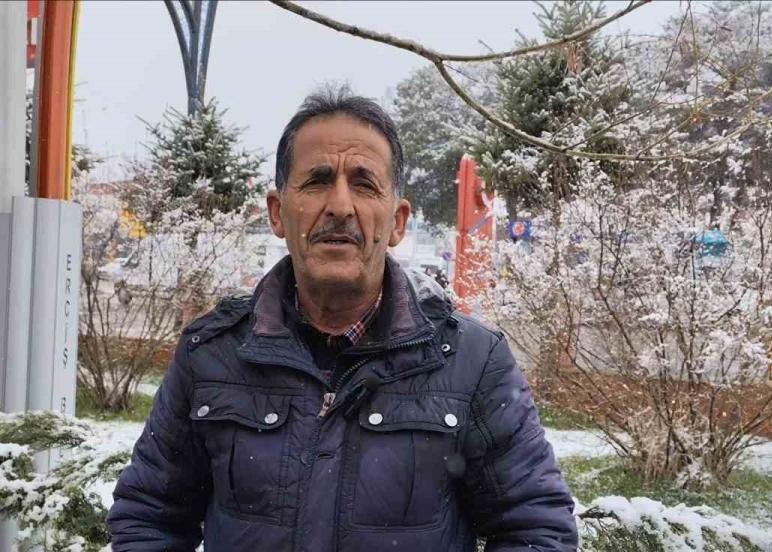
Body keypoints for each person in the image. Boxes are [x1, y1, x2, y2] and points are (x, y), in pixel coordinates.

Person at [107, 87, 578, 551]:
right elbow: (149, 518)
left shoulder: (472, 361)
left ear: (397, 222)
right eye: (316, 181)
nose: (339, 206)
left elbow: (537, 530)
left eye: (364, 184)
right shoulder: (212, 354)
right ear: (277, 213)